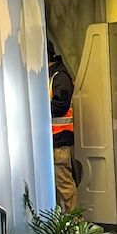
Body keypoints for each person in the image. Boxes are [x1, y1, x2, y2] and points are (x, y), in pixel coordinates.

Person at [48, 44, 79, 213]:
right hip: (53, 141)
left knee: (65, 188)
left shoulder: (60, 77)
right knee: (60, 188)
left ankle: (75, 226)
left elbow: (59, 107)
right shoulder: (54, 76)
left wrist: (38, 109)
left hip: (58, 141)